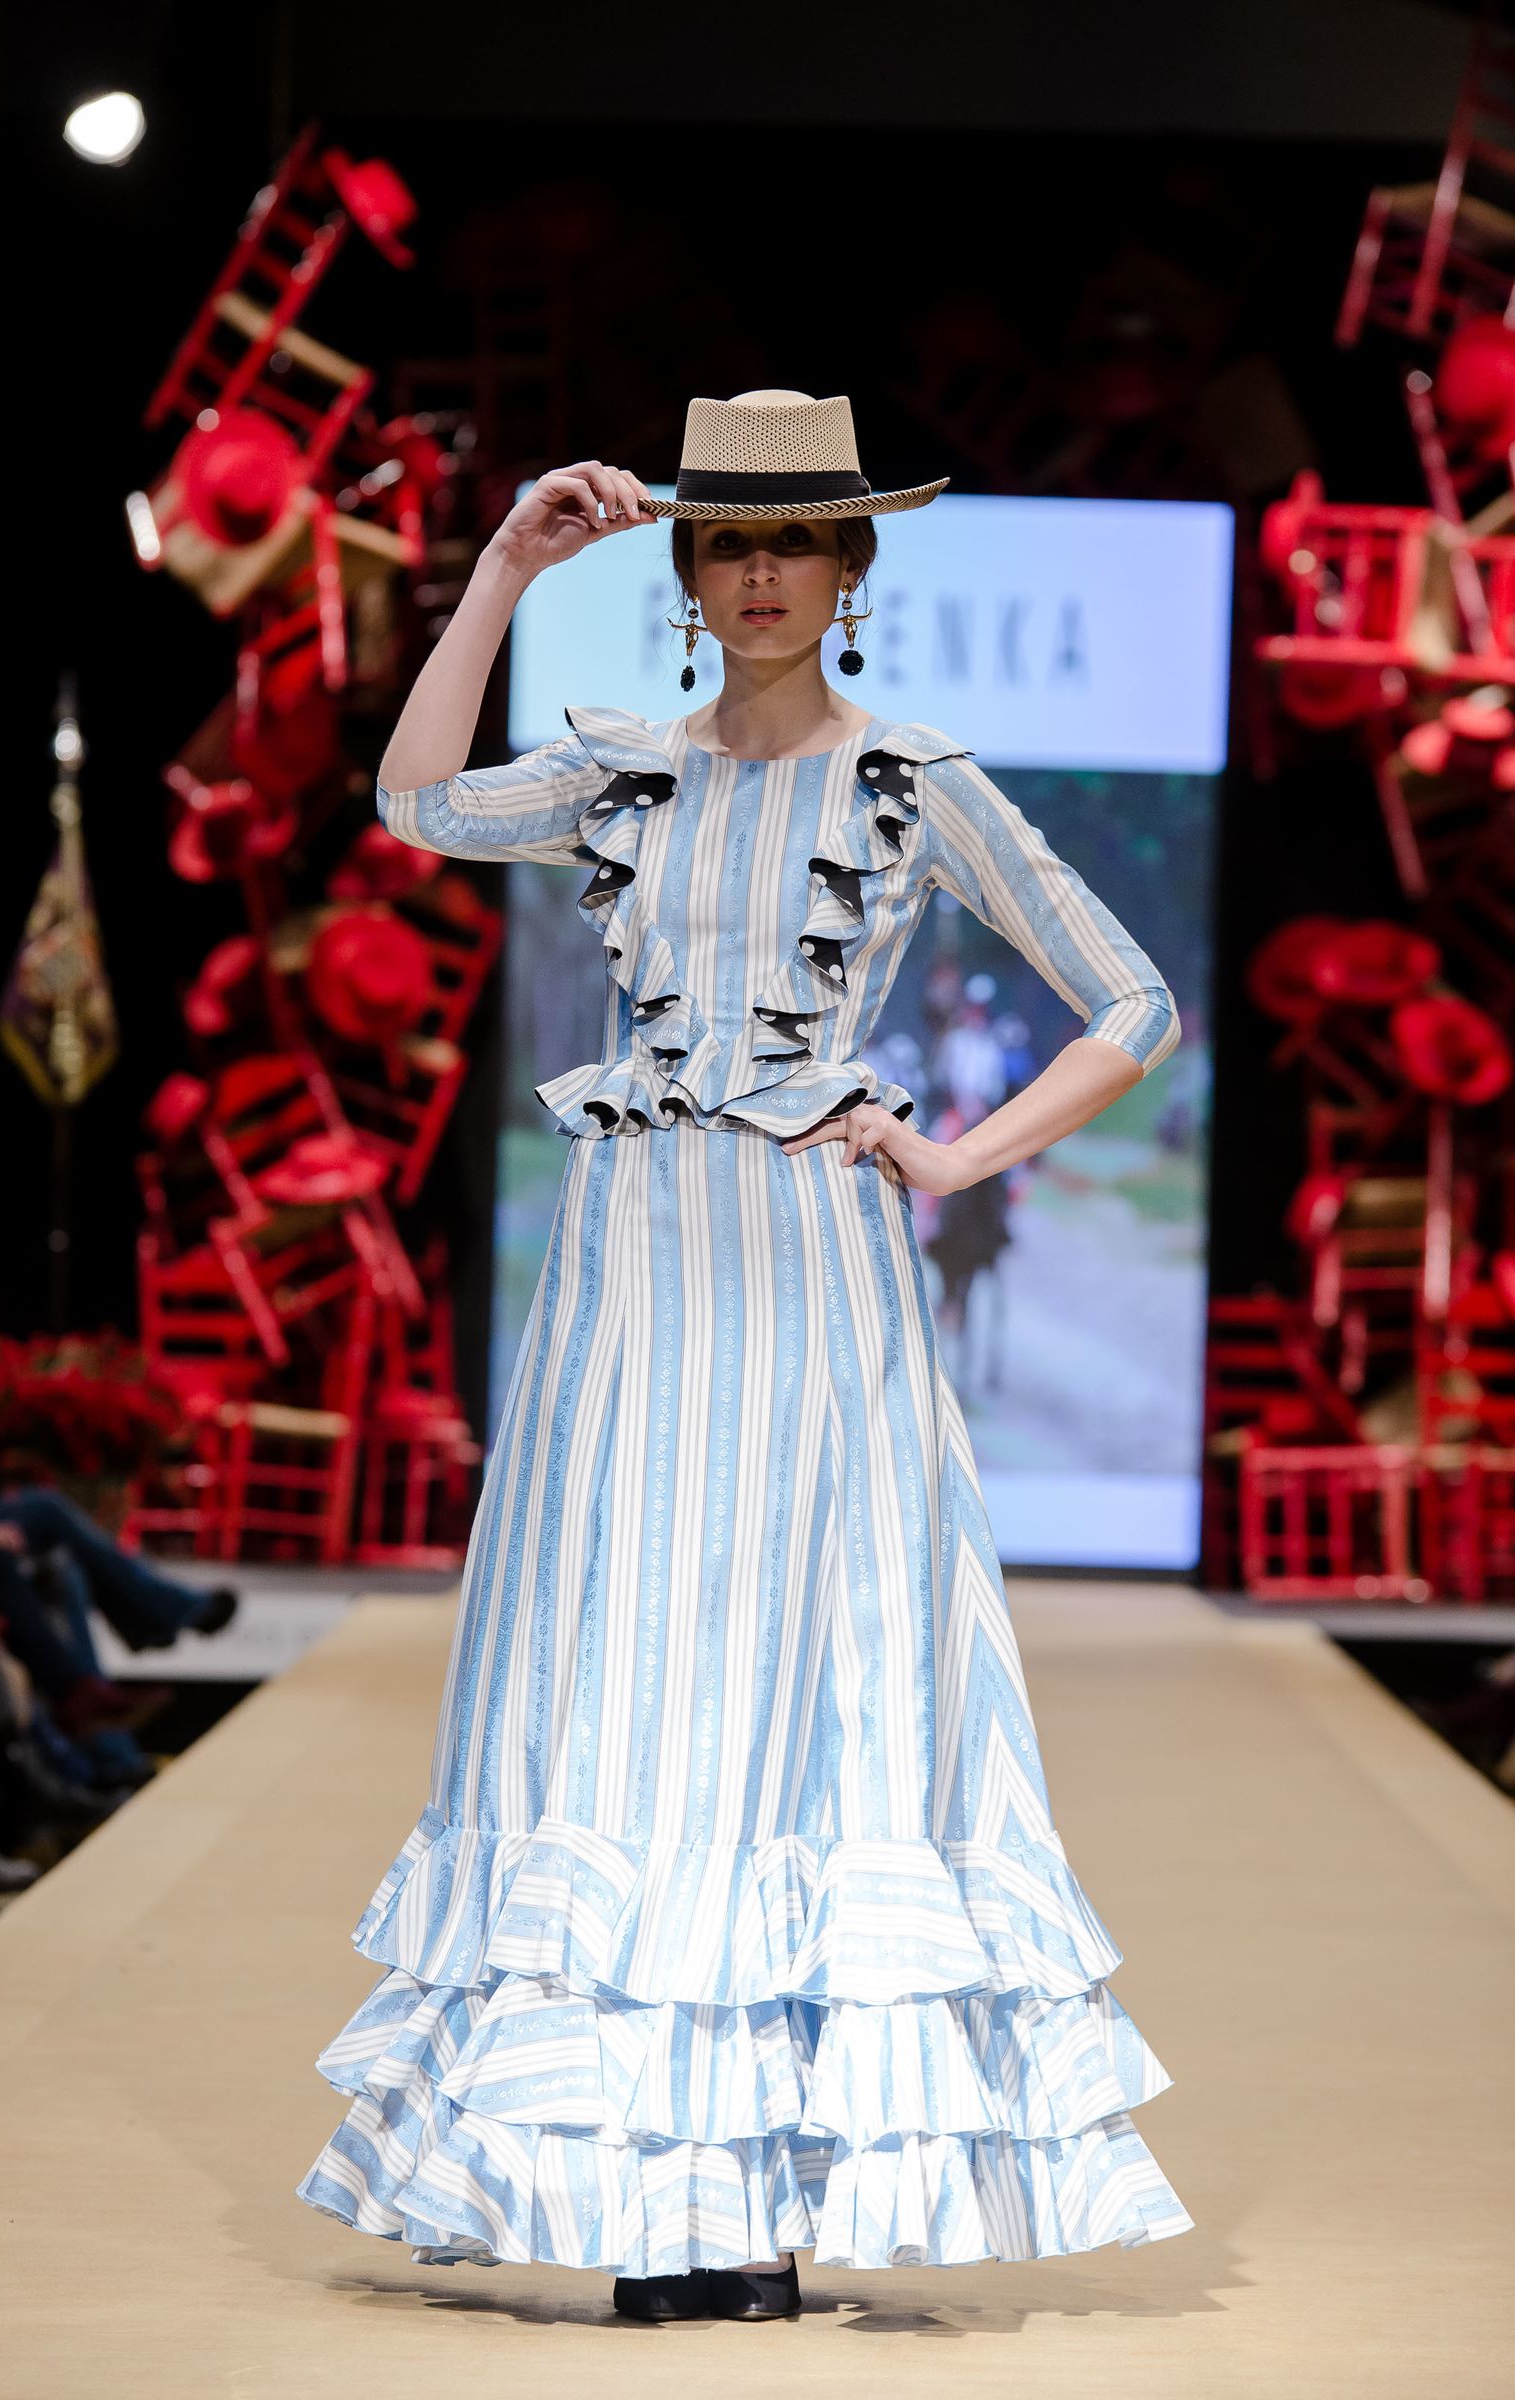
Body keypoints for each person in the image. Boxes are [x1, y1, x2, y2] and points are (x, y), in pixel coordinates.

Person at [295, 390, 1194, 2320]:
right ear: (690, 575)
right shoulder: (627, 771)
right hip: (629, 1276)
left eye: (796, 540)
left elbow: (1134, 997)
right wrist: (503, 574)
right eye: (724, 541)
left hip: (815, 1270)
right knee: (619, 1685)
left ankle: (762, 2192)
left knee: (800, 1697)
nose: (762, 569)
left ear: (852, 567)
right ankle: (644, 2187)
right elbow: (415, 806)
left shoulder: (915, 780)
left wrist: (952, 1154)